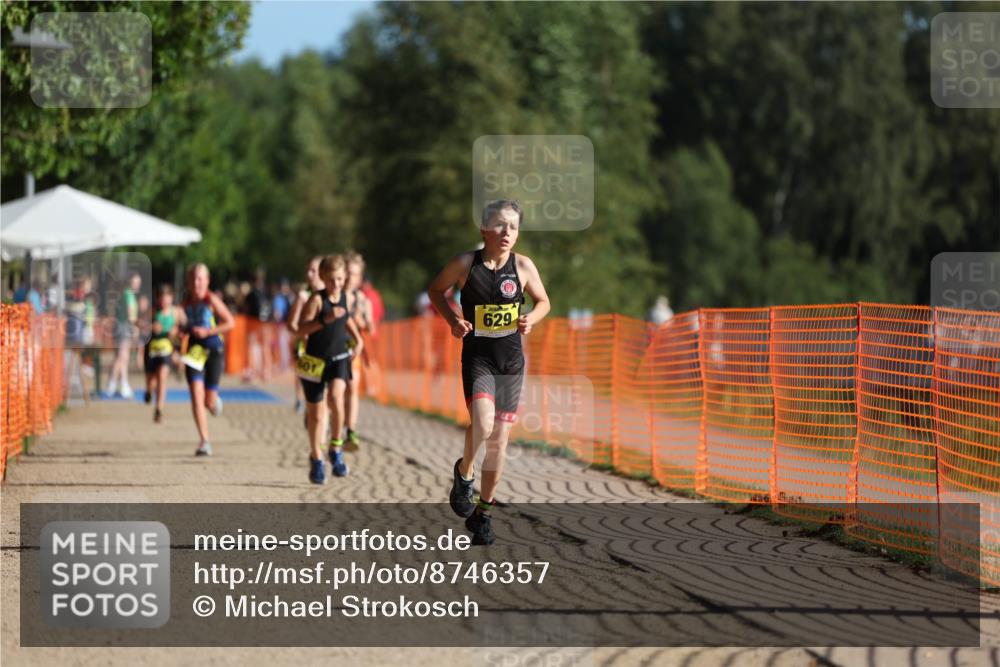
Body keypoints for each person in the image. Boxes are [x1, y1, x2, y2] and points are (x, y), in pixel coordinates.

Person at [427, 199, 550, 545]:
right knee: (482, 424)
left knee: (499, 442)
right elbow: (436, 290)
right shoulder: (466, 263)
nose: (506, 232)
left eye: (512, 226)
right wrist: (453, 320)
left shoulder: (523, 267)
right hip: (478, 358)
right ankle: (464, 473)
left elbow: (544, 302)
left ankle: (484, 513)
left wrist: (532, 319)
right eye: (499, 225)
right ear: (484, 229)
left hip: (511, 363)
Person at [295, 255, 363, 484]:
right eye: (332, 280)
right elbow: (300, 329)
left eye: (340, 279)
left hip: (339, 358)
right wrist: (324, 320)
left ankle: (335, 446)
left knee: (336, 398)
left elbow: (347, 318)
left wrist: (358, 339)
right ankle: (316, 458)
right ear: (323, 278)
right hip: (314, 361)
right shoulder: (316, 300)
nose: (336, 284)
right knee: (316, 414)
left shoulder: (345, 297)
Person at [181, 263, 235, 457]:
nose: (197, 283)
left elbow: (230, 322)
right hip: (195, 351)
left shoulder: (211, 299)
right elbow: (180, 325)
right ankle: (204, 441)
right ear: (188, 281)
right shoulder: (185, 302)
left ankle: (214, 402)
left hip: (213, 350)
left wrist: (208, 331)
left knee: (208, 402)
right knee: (196, 395)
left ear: (207, 281)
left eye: (200, 278)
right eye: (193, 278)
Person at [344, 252, 375, 451]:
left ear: (360, 277)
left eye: (354, 274)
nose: (350, 277)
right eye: (347, 272)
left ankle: (350, 430)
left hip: (353, 349)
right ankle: (331, 423)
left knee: (352, 387)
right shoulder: (334, 296)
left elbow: (371, 327)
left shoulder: (362, 300)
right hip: (332, 348)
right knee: (336, 391)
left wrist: (361, 320)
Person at [288, 257, 326, 415]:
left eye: (314, 271)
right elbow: (291, 326)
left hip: (328, 351)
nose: (309, 275)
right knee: (314, 400)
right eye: (308, 271)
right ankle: (301, 402)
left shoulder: (331, 294)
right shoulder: (303, 295)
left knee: (329, 396)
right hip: (307, 351)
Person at [144, 285, 184, 423]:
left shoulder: (177, 312)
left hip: (167, 349)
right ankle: (149, 391)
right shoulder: (153, 311)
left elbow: (185, 326)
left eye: (167, 299)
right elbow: (138, 322)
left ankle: (159, 409)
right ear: (157, 299)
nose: (164, 302)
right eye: (161, 299)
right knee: (151, 380)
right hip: (152, 349)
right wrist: (150, 327)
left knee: (162, 376)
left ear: (172, 298)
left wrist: (177, 330)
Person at [107, 272, 141, 398]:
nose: (138, 285)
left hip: (121, 327)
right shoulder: (128, 295)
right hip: (124, 328)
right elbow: (131, 314)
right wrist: (134, 328)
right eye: (136, 282)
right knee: (123, 357)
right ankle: (122, 383)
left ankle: (114, 384)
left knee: (120, 357)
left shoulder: (125, 294)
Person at [243, 268, 273, 382]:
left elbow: (246, 308)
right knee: (265, 347)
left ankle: (254, 370)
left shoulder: (252, 293)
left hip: (254, 322)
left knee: (253, 346)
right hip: (265, 323)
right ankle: (265, 371)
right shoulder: (267, 292)